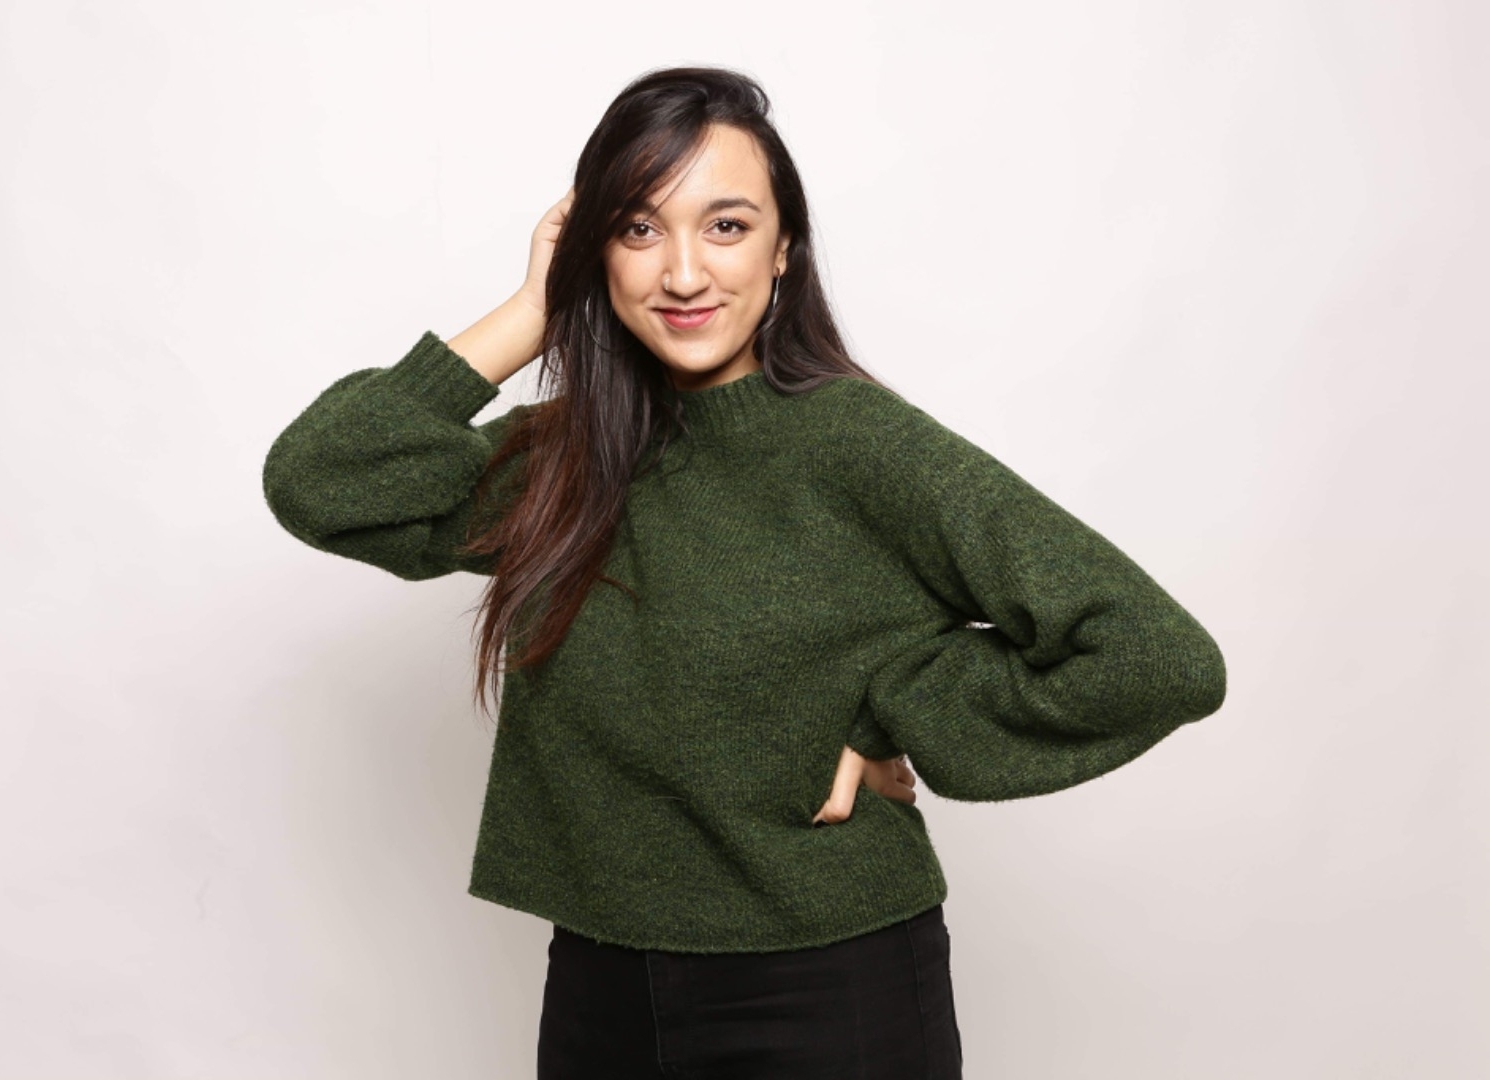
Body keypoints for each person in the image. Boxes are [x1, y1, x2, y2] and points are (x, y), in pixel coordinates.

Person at [262, 65, 1227, 1080]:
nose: (684, 273)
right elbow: (318, 481)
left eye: (726, 226)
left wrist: (908, 708)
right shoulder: (564, 459)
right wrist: (534, 308)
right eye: (638, 230)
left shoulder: (858, 443)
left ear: (782, 252)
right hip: (598, 982)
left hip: (824, 992)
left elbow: (1156, 656)